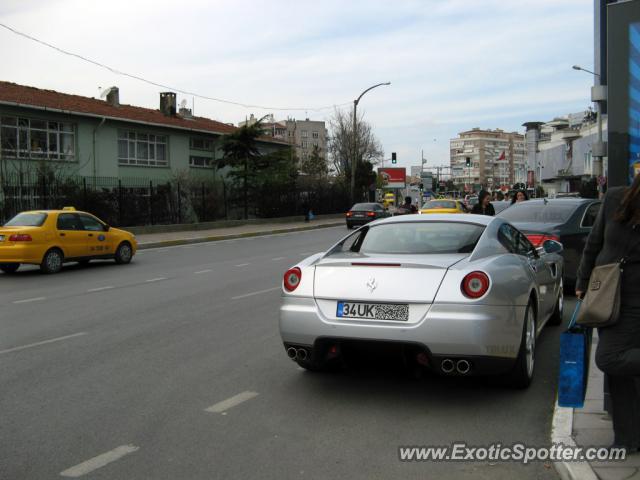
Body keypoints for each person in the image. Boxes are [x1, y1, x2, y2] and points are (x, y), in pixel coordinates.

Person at [576, 175, 640, 451]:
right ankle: (627, 439)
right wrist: (582, 281)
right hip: (608, 295)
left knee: (609, 358)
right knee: (619, 374)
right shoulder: (615, 197)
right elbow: (594, 242)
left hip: (637, 300)